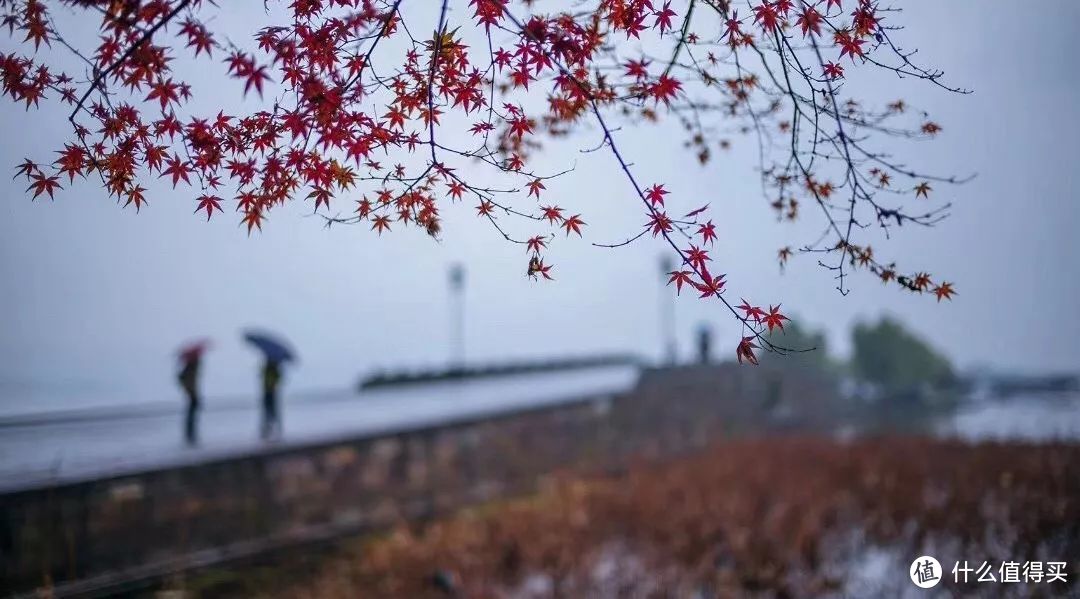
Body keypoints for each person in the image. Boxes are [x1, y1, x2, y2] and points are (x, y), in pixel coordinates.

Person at [177, 354, 201, 446]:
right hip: (192, 394)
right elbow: (183, 379)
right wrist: (189, 390)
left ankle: (191, 436)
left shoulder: (191, 367)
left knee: (192, 416)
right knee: (191, 417)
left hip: (192, 393)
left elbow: (181, 378)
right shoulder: (191, 368)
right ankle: (190, 436)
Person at [260, 358, 283, 439]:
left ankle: (273, 429)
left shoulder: (274, 370)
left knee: (271, 411)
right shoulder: (267, 369)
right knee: (269, 411)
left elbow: (279, 379)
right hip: (267, 392)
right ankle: (268, 429)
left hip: (271, 392)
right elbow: (262, 376)